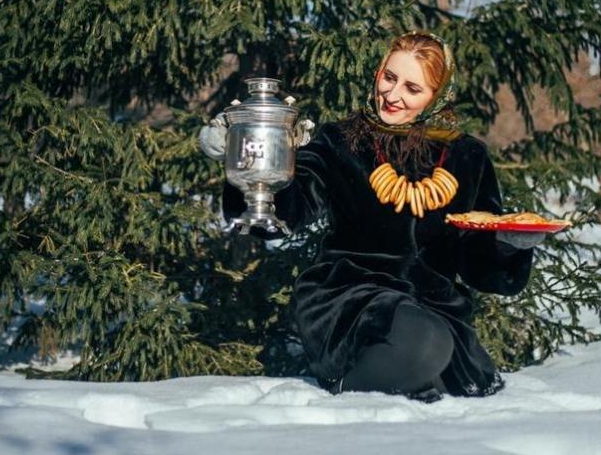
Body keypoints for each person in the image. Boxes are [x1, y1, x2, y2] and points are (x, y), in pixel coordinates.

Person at [198, 31, 546, 403]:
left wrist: (508, 245)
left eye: (413, 88)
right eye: (389, 78)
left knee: (444, 369)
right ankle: (347, 397)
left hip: (434, 307)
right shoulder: (340, 142)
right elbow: (288, 211)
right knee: (427, 345)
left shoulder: (466, 156)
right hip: (351, 300)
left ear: (436, 95)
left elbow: (477, 263)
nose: (393, 95)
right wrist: (247, 160)